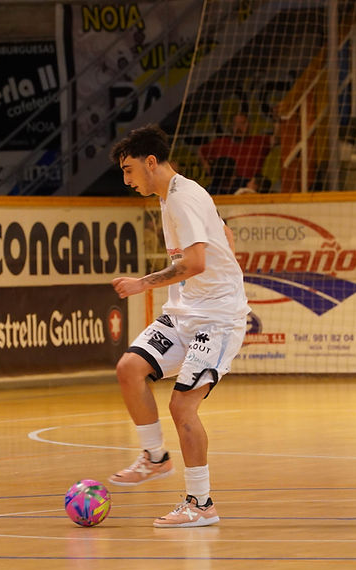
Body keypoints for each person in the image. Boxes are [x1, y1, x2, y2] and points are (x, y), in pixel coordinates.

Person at [106, 124, 249, 527]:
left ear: (150, 162)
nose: (126, 179)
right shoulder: (176, 195)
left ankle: (201, 505)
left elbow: (198, 263)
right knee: (129, 369)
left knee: (182, 407)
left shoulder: (183, 199)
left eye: (129, 169)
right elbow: (225, 233)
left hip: (217, 318)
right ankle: (155, 458)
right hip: (187, 311)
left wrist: (141, 284)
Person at [197, 112, 272, 194]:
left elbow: (277, 139)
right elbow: (201, 151)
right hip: (220, 187)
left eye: (242, 123)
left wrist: (280, 118)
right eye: (235, 124)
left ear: (249, 125)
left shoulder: (259, 142)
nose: (239, 127)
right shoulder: (220, 143)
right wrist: (208, 168)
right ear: (230, 126)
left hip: (246, 186)